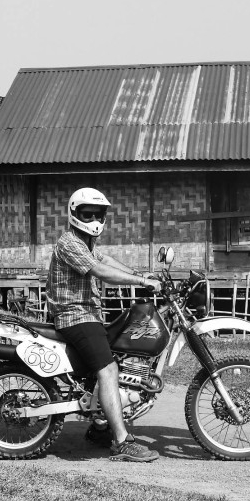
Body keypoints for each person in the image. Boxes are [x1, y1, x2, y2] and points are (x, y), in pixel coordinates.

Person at [46, 187, 162, 462]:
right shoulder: (69, 243)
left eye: (99, 213)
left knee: (114, 360)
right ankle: (121, 441)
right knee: (108, 369)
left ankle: (100, 426)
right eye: (88, 213)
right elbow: (99, 271)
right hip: (75, 316)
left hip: (89, 315)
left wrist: (138, 272)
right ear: (74, 213)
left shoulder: (86, 243)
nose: (94, 217)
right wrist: (142, 282)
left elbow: (105, 260)